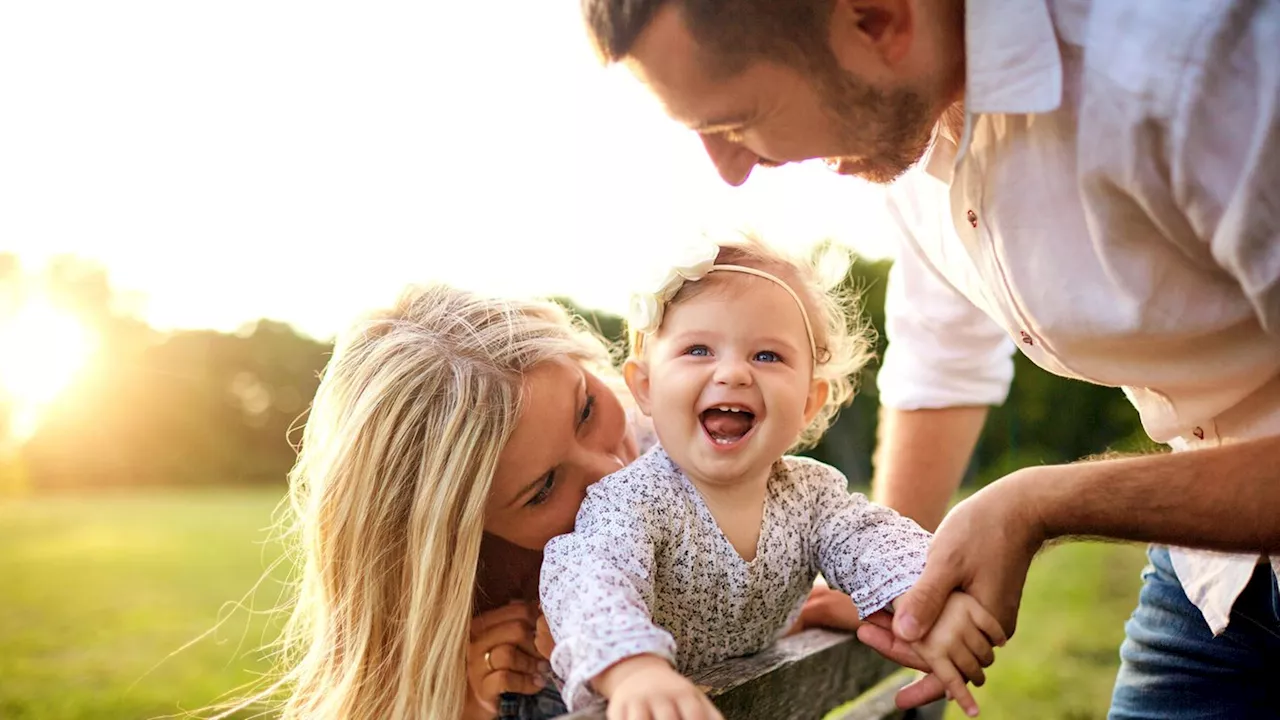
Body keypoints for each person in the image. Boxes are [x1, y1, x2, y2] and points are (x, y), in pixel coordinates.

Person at [577, 0, 1280, 716]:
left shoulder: (1207, 71)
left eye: (736, 119)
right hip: (1211, 576)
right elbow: (940, 358)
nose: (729, 171)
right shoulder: (906, 138)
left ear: (879, 20)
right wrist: (897, 590)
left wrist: (1041, 501)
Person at [217, 282, 867, 720]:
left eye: (587, 408)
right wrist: (469, 704)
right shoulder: (473, 637)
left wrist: (776, 608)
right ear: (459, 542)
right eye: (544, 488)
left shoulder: (677, 450)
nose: (613, 464)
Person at [540, 236, 1005, 719]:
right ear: (646, 388)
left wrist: (921, 595)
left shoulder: (812, 496)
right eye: (698, 349)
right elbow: (591, 584)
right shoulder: (631, 502)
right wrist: (634, 670)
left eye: (767, 356)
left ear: (808, 401)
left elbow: (874, 541)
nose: (734, 373)